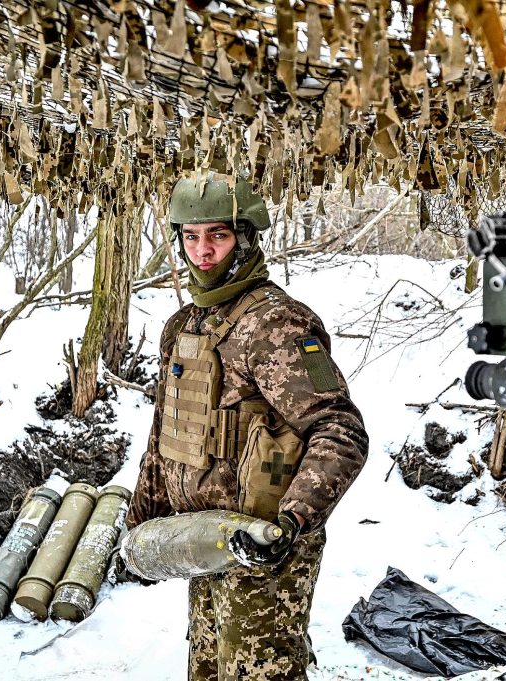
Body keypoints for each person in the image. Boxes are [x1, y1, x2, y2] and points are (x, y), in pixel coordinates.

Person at [125, 173, 369, 681]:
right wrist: (139, 524)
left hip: (265, 545)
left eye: (218, 235)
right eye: (191, 237)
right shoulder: (184, 325)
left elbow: (340, 430)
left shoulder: (276, 324)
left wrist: (293, 521)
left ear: (246, 237)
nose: (202, 251)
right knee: (208, 672)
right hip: (207, 539)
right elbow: (164, 436)